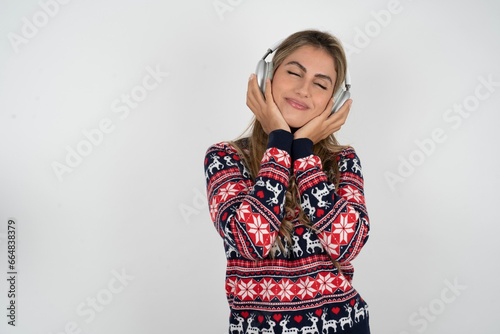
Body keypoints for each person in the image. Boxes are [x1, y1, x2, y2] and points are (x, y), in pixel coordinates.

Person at [204, 29, 370, 334]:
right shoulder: (225, 157)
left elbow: (347, 245)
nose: (304, 90)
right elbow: (249, 241)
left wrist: (304, 150)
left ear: (334, 102)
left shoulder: (343, 160)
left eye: (320, 84)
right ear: (265, 73)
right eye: (294, 72)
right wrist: (279, 143)